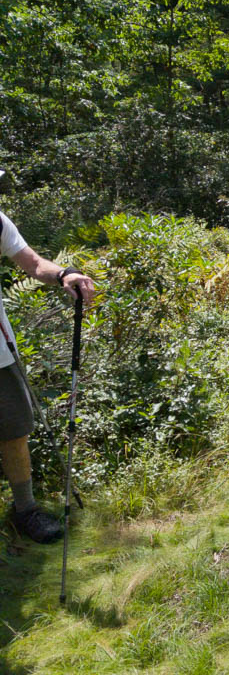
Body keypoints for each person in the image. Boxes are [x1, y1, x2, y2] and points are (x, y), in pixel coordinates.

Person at [0, 212, 95, 543]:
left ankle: (25, 510)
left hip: (0, 353)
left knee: (14, 432)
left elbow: (34, 263)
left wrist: (65, 274)